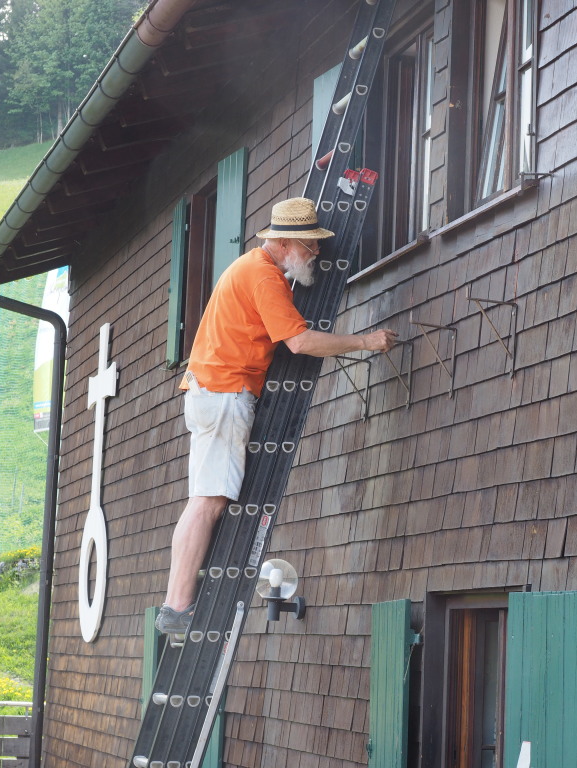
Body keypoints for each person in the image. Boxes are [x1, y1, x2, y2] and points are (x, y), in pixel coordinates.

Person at [155, 197, 397, 635]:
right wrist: (366, 342)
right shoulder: (264, 276)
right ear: (284, 243)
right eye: (310, 245)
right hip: (225, 392)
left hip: (214, 390)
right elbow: (299, 343)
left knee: (206, 499)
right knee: (208, 501)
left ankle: (176, 602)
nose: (316, 252)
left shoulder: (254, 269)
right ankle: (177, 606)